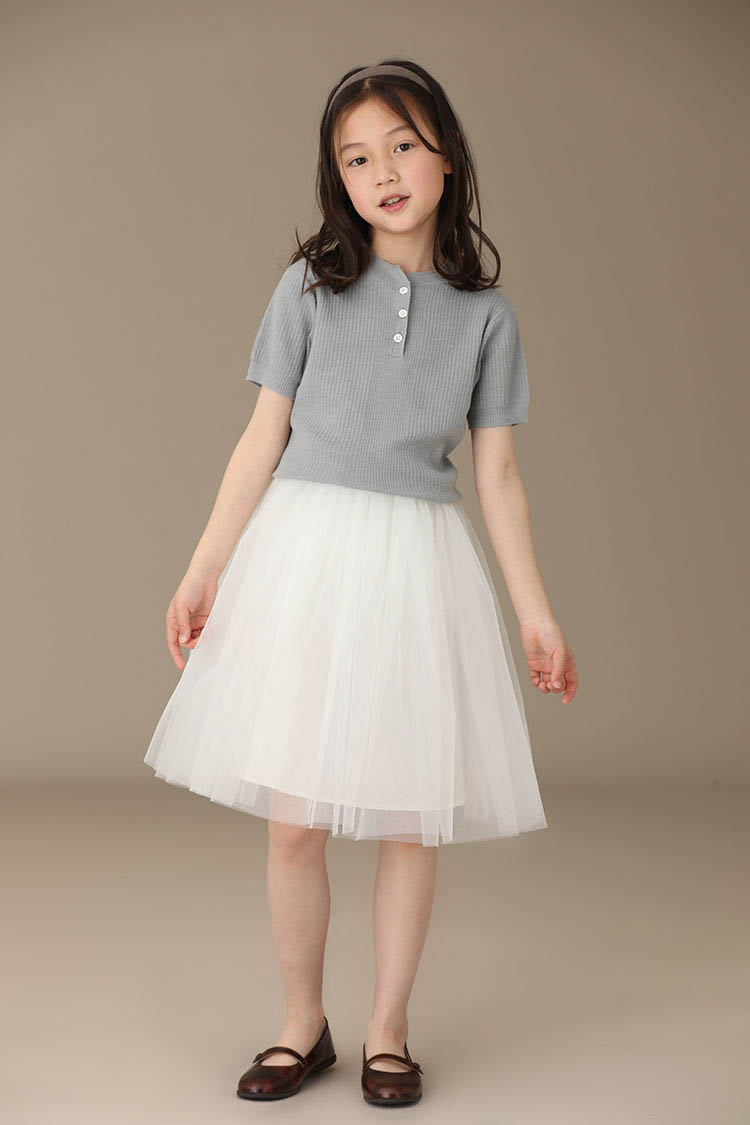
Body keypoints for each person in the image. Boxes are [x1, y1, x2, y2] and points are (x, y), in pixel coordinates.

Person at [143, 59, 578, 1107]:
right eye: (355, 159)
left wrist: (536, 615)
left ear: (446, 156)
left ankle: (389, 1029)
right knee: (294, 817)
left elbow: (498, 476)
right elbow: (261, 438)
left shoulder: (487, 318)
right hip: (306, 560)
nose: (381, 173)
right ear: (335, 178)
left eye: (402, 147)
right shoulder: (308, 288)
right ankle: (304, 1023)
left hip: (417, 567)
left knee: (405, 817)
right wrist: (202, 569)